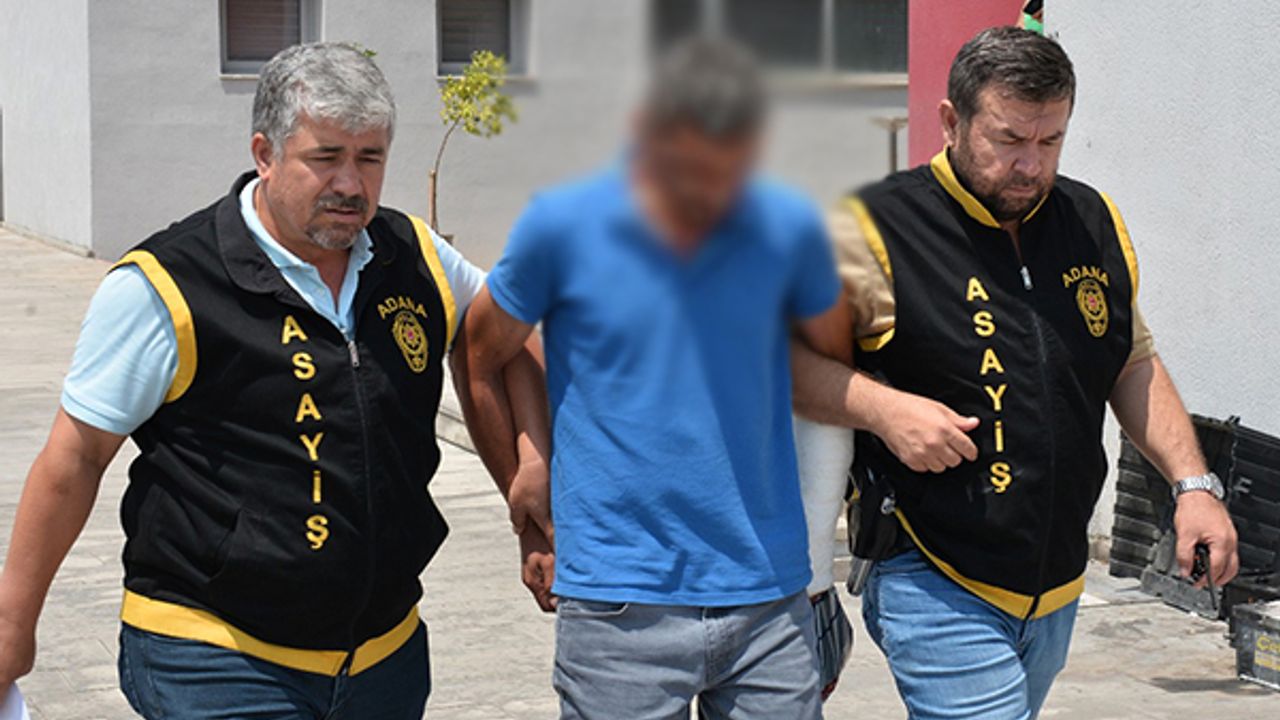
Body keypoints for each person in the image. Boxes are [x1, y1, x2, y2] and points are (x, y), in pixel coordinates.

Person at [0, 42, 546, 719]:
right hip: (214, 654)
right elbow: (74, 458)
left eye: (370, 158)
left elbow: (508, 337)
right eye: (326, 157)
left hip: (385, 659)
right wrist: (12, 627)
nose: (351, 184)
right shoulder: (167, 285)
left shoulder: (415, 257)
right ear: (265, 153)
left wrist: (530, 474)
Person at [792, 27, 1239, 719]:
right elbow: (790, 366)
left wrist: (1193, 486)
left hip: (1056, 583)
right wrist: (884, 410)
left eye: (1050, 141)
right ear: (952, 122)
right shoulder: (870, 227)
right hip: (933, 570)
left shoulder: (1091, 220)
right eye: (1007, 140)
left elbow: (1130, 359)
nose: (1030, 166)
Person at [455, 38, 848, 719]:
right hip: (618, 608)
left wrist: (815, 574)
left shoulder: (788, 233)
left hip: (769, 602)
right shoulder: (562, 229)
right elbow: (481, 353)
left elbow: (826, 391)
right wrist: (529, 504)